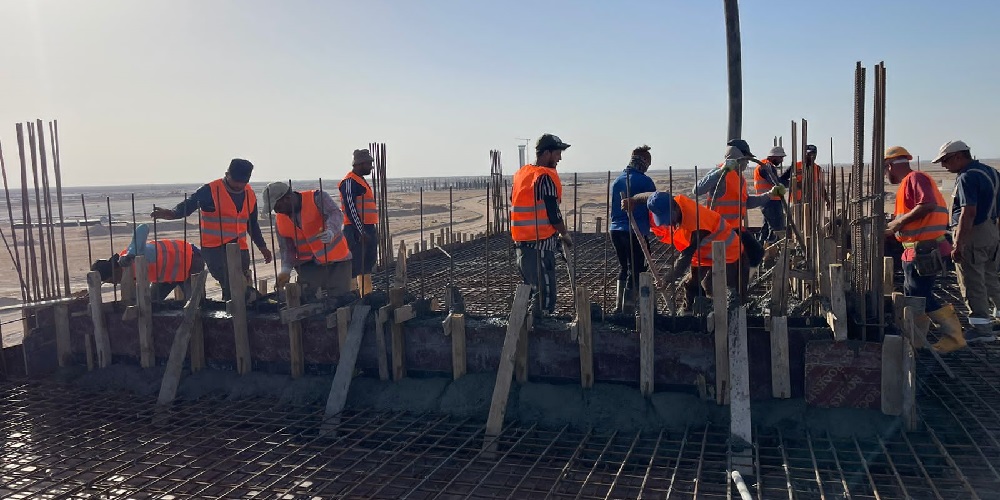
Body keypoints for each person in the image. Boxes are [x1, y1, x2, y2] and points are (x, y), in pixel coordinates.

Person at [150, 159, 272, 300]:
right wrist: (173, 213)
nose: (239, 185)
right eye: (236, 181)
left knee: (239, 284)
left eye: (243, 182)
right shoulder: (210, 190)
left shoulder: (250, 194)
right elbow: (189, 205)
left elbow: (252, 224)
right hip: (215, 249)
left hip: (240, 248)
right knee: (230, 283)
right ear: (227, 174)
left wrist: (262, 247)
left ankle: (235, 308)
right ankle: (239, 304)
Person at [884, 146, 964, 352]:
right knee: (914, 295)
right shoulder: (907, 184)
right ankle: (917, 340)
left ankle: (954, 337)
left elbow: (927, 204)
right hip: (916, 249)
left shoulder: (915, 178)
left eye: (884, 170)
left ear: (890, 165)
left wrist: (897, 224)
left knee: (921, 296)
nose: (885, 175)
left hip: (926, 249)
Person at [624, 191, 745, 312]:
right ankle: (688, 312)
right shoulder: (670, 201)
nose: (669, 223)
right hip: (703, 254)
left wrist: (667, 278)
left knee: (711, 285)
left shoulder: (695, 223)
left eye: (669, 218)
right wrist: (633, 200)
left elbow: (685, 257)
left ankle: (721, 314)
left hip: (727, 252)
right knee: (691, 283)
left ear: (675, 208)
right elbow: (651, 197)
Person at [936, 140, 1000, 343]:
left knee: (972, 281)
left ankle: (981, 329)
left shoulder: (967, 176)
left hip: (973, 233)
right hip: (991, 231)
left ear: (958, 156)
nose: (944, 165)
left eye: (946, 160)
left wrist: (959, 244)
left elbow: (968, 213)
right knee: (990, 277)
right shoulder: (991, 172)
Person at [510, 133, 573, 317]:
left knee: (531, 291)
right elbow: (553, 214)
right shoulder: (545, 177)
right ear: (546, 153)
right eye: (557, 153)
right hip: (540, 246)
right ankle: (543, 327)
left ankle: (530, 325)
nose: (559, 158)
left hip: (522, 245)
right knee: (544, 294)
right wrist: (564, 233)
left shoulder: (521, 175)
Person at [261, 181, 353, 303]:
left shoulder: (317, 198)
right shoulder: (280, 220)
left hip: (337, 263)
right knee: (309, 303)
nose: (276, 211)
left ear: (287, 198)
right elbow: (287, 249)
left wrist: (331, 231)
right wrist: (285, 270)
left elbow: (336, 213)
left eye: (277, 207)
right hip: (308, 267)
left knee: (340, 301)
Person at [91, 223, 205, 302]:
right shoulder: (128, 275)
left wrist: (132, 253)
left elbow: (143, 228)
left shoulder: (135, 255)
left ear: (115, 270)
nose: (116, 283)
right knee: (151, 302)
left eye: (112, 280)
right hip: (169, 276)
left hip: (190, 259)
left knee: (194, 303)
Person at [609, 145, 657, 313]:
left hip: (615, 231)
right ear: (643, 162)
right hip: (634, 231)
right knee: (636, 270)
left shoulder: (618, 180)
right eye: (648, 163)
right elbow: (654, 203)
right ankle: (628, 308)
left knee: (625, 268)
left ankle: (619, 306)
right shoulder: (645, 181)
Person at [694, 141, 784, 228]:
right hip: (718, 228)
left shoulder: (740, 179)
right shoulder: (719, 173)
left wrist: (770, 194)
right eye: (746, 158)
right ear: (737, 156)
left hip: (735, 227)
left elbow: (746, 202)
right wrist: (721, 172)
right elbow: (697, 190)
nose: (747, 162)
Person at [339, 148, 379, 297]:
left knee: (367, 263)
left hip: (367, 228)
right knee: (355, 263)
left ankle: (366, 294)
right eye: (369, 164)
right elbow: (350, 208)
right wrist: (360, 230)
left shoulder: (360, 180)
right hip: (355, 229)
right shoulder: (349, 182)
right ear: (360, 164)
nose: (371, 167)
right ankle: (352, 296)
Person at [752, 146, 789, 243]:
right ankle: (772, 248)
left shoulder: (766, 165)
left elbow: (777, 180)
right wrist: (791, 183)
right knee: (776, 228)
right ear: (774, 157)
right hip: (770, 201)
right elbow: (776, 182)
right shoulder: (766, 166)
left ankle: (762, 247)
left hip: (768, 201)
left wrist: (789, 172)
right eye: (780, 157)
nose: (782, 160)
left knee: (767, 228)